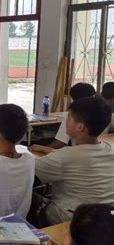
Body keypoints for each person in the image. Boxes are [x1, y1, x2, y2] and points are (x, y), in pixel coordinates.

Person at [30, 97, 114, 226]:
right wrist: (47, 149)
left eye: (68, 118)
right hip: (106, 217)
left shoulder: (64, 157)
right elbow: (80, 158)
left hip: (70, 219)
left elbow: (26, 170)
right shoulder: (110, 149)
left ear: (80, 126)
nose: (66, 122)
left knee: (29, 196)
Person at [30, 82, 96, 154]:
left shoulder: (73, 117)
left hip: (78, 153)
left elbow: (61, 142)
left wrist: (42, 149)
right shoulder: (103, 114)